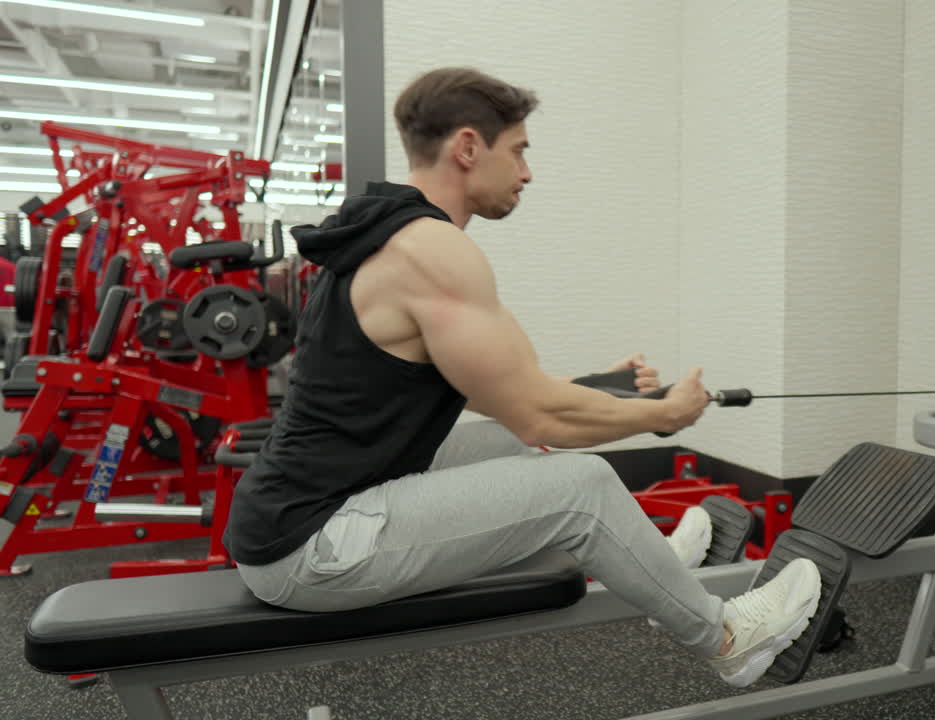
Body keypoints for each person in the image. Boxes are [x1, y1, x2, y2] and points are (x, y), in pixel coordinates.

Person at [224, 67, 821, 688]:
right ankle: (724, 638)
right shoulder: (431, 252)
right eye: (519, 151)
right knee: (582, 486)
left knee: (508, 445)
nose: (527, 172)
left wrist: (602, 383)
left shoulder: (387, 233)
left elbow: (512, 393)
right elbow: (541, 415)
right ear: (467, 147)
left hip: (305, 507)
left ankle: (646, 563)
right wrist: (665, 416)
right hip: (309, 547)